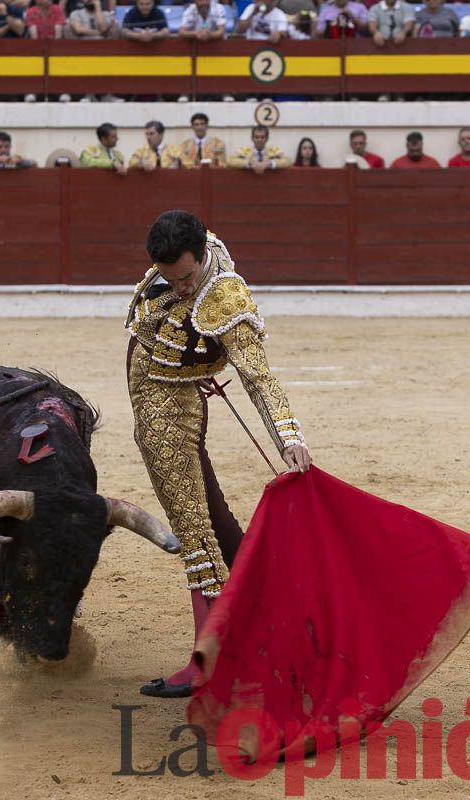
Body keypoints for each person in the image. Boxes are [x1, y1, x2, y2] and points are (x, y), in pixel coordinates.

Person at [126, 210, 311, 698]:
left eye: (187, 277)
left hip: (170, 414)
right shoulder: (196, 243)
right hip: (164, 398)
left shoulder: (225, 297)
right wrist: (198, 358)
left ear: (203, 258)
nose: (182, 288)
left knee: (195, 535)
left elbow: (258, 377)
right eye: (171, 279)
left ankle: (206, 661)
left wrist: (289, 437)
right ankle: (281, 619)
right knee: (218, 523)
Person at [238, 0, 305, 42]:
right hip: (251, 46)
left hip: (270, 49)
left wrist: (280, 34)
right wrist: (253, 14)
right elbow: (240, 30)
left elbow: (284, 32)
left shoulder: (279, 14)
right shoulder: (251, 8)